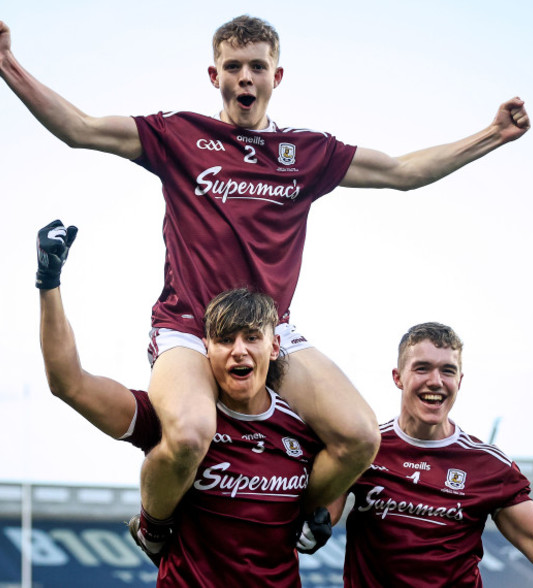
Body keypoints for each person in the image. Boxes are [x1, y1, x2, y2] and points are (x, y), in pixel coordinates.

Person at [0, 15, 531, 549]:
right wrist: (5, 62)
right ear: (214, 76)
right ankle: (152, 527)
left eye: (258, 66)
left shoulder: (307, 154)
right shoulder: (179, 136)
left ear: (276, 77)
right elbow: (81, 130)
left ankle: (301, 518)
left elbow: (403, 173)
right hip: (190, 331)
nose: (246, 77)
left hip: (274, 333)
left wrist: (494, 134)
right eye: (234, 66)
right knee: (190, 434)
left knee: (360, 436)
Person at [35, 218, 333, 585]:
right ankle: (150, 528)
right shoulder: (175, 420)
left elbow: (338, 485)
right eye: (225, 340)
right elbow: (69, 383)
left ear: (274, 347)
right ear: (205, 348)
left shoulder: (305, 429)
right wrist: (49, 283)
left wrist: (324, 519)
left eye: (252, 338)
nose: (239, 351)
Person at [329, 322, 533, 587]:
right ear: (398, 377)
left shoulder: (489, 466)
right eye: (422, 368)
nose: (435, 381)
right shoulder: (363, 448)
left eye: (447, 371)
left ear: (459, 380)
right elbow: (318, 519)